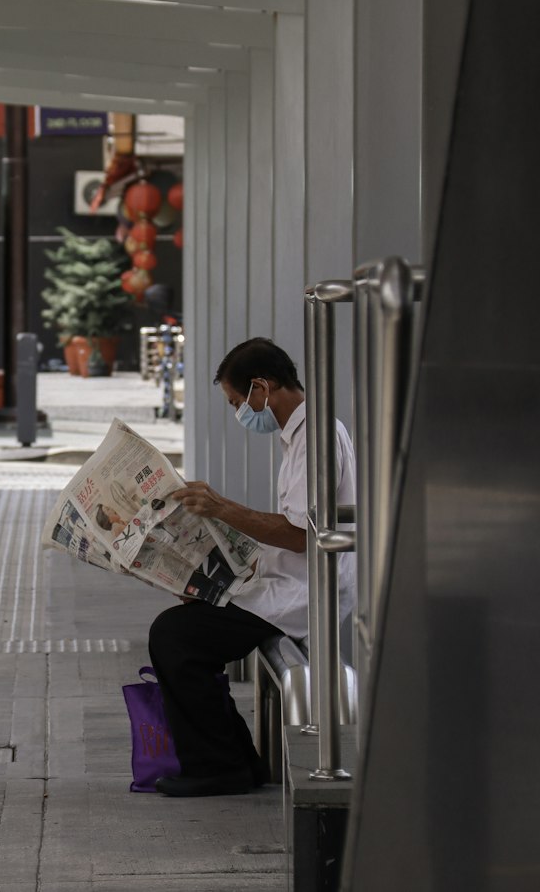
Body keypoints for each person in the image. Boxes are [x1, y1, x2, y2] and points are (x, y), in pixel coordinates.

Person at [148, 337, 356, 797]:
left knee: (175, 636)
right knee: (186, 622)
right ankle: (234, 759)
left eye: (238, 401)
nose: (241, 412)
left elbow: (301, 534)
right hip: (289, 582)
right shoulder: (302, 434)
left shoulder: (315, 438)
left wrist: (221, 508)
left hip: (305, 592)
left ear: (262, 387)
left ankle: (219, 765)